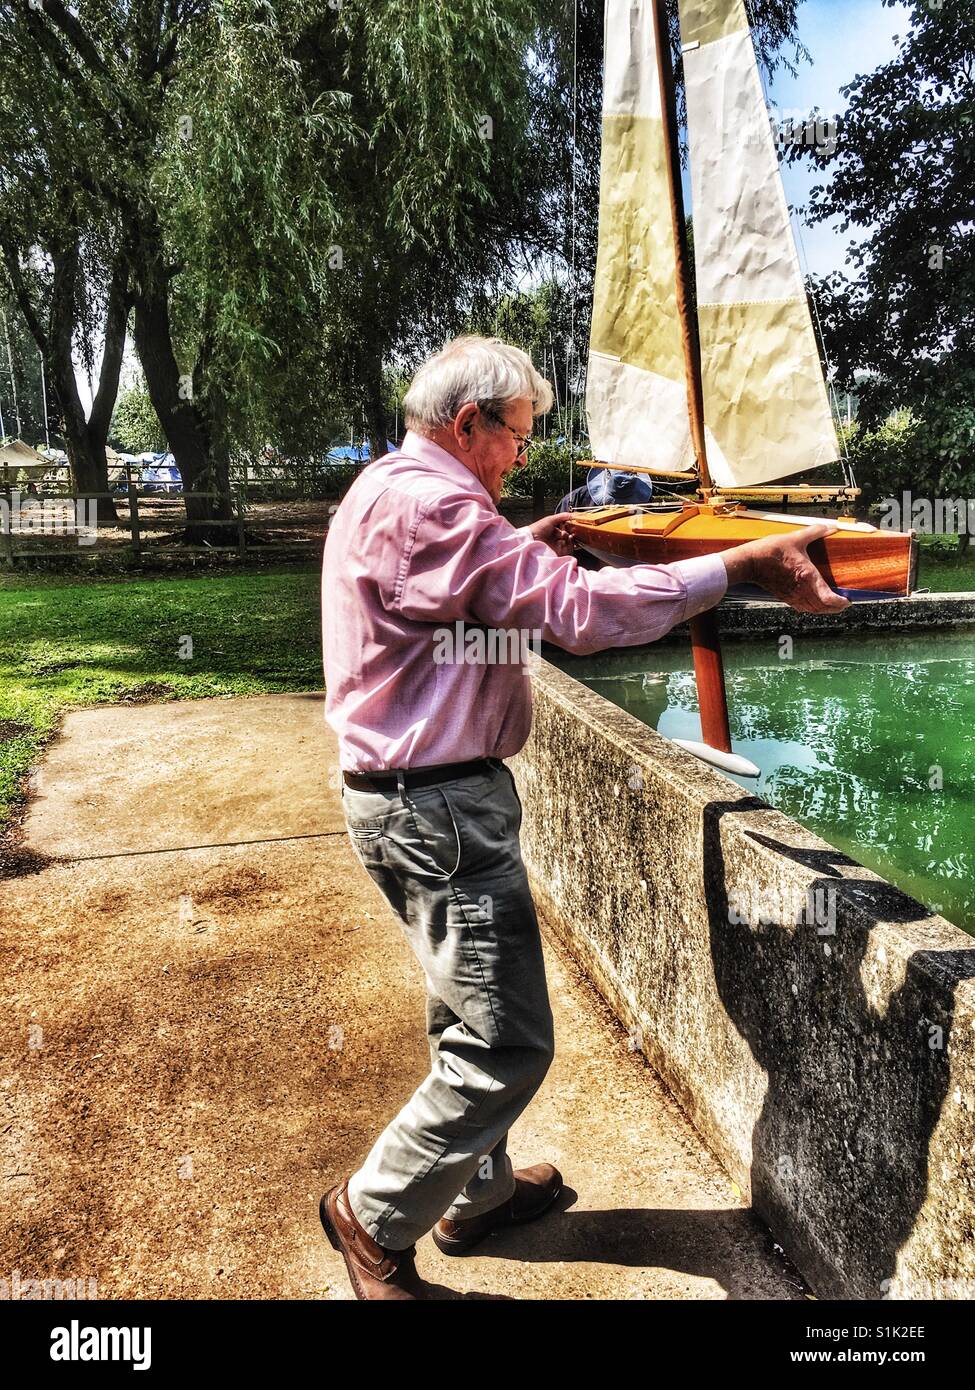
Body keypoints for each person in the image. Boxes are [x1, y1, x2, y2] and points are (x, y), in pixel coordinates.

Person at [318, 334, 847, 1301]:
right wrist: (736, 566)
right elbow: (578, 618)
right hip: (435, 805)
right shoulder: (436, 503)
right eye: (516, 435)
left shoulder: (390, 485)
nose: (522, 454)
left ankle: (474, 1195)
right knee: (505, 1042)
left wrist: (523, 545)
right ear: (468, 422)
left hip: (406, 797)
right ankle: (373, 1212)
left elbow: (454, 597)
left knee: (461, 1011)